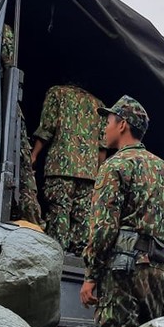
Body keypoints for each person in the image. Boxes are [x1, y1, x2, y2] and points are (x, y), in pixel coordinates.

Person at [79, 95, 164, 327]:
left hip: (121, 272)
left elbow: (103, 229)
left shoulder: (115, 166)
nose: (105, 127)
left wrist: (91, 275)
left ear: (122, 124)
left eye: (109, 121)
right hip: (156, 270)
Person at [31, 83, 104, 255]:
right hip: (89, 173)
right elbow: (103, 144)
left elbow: (47, 128)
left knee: (59, 212)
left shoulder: (57, 92)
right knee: (83, 217)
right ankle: (78, 261)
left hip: (60, 167)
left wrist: (34, 155)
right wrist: (100, 172)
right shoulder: (98, 104)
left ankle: (56, 256)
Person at [1, 24, 43, 227]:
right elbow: (10, 65)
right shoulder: (3, 30)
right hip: (7, 113)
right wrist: (33, 155)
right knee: (25, 186)